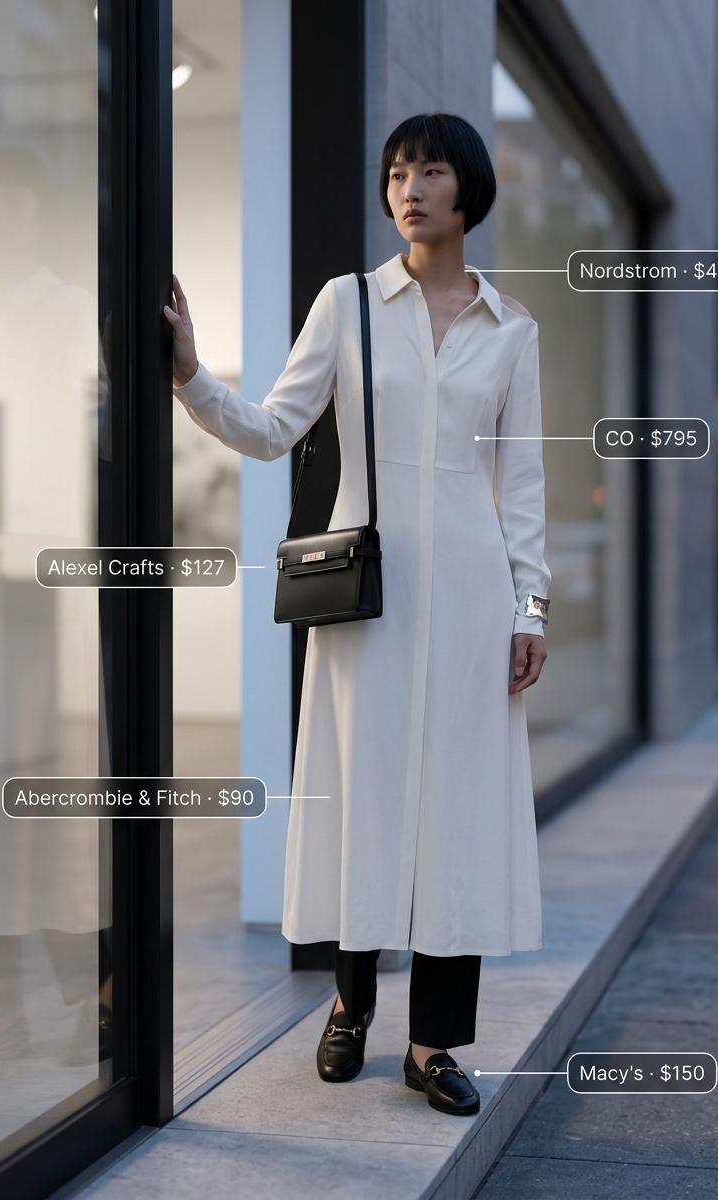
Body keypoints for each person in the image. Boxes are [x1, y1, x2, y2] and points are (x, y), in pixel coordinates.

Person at [165, 112, 550, 1117]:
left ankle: (432, 1044)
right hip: (367, 597)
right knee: (361, 796)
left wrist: (530, 606)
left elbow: (522, 485)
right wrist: (192, 378)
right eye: (394, 173)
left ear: (466, 188)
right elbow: (273, 426)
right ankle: (347, 1007)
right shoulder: (348, 305)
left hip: (470, 597)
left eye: (427, 171)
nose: (408, 189)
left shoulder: (513, 330)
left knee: (455, 816)